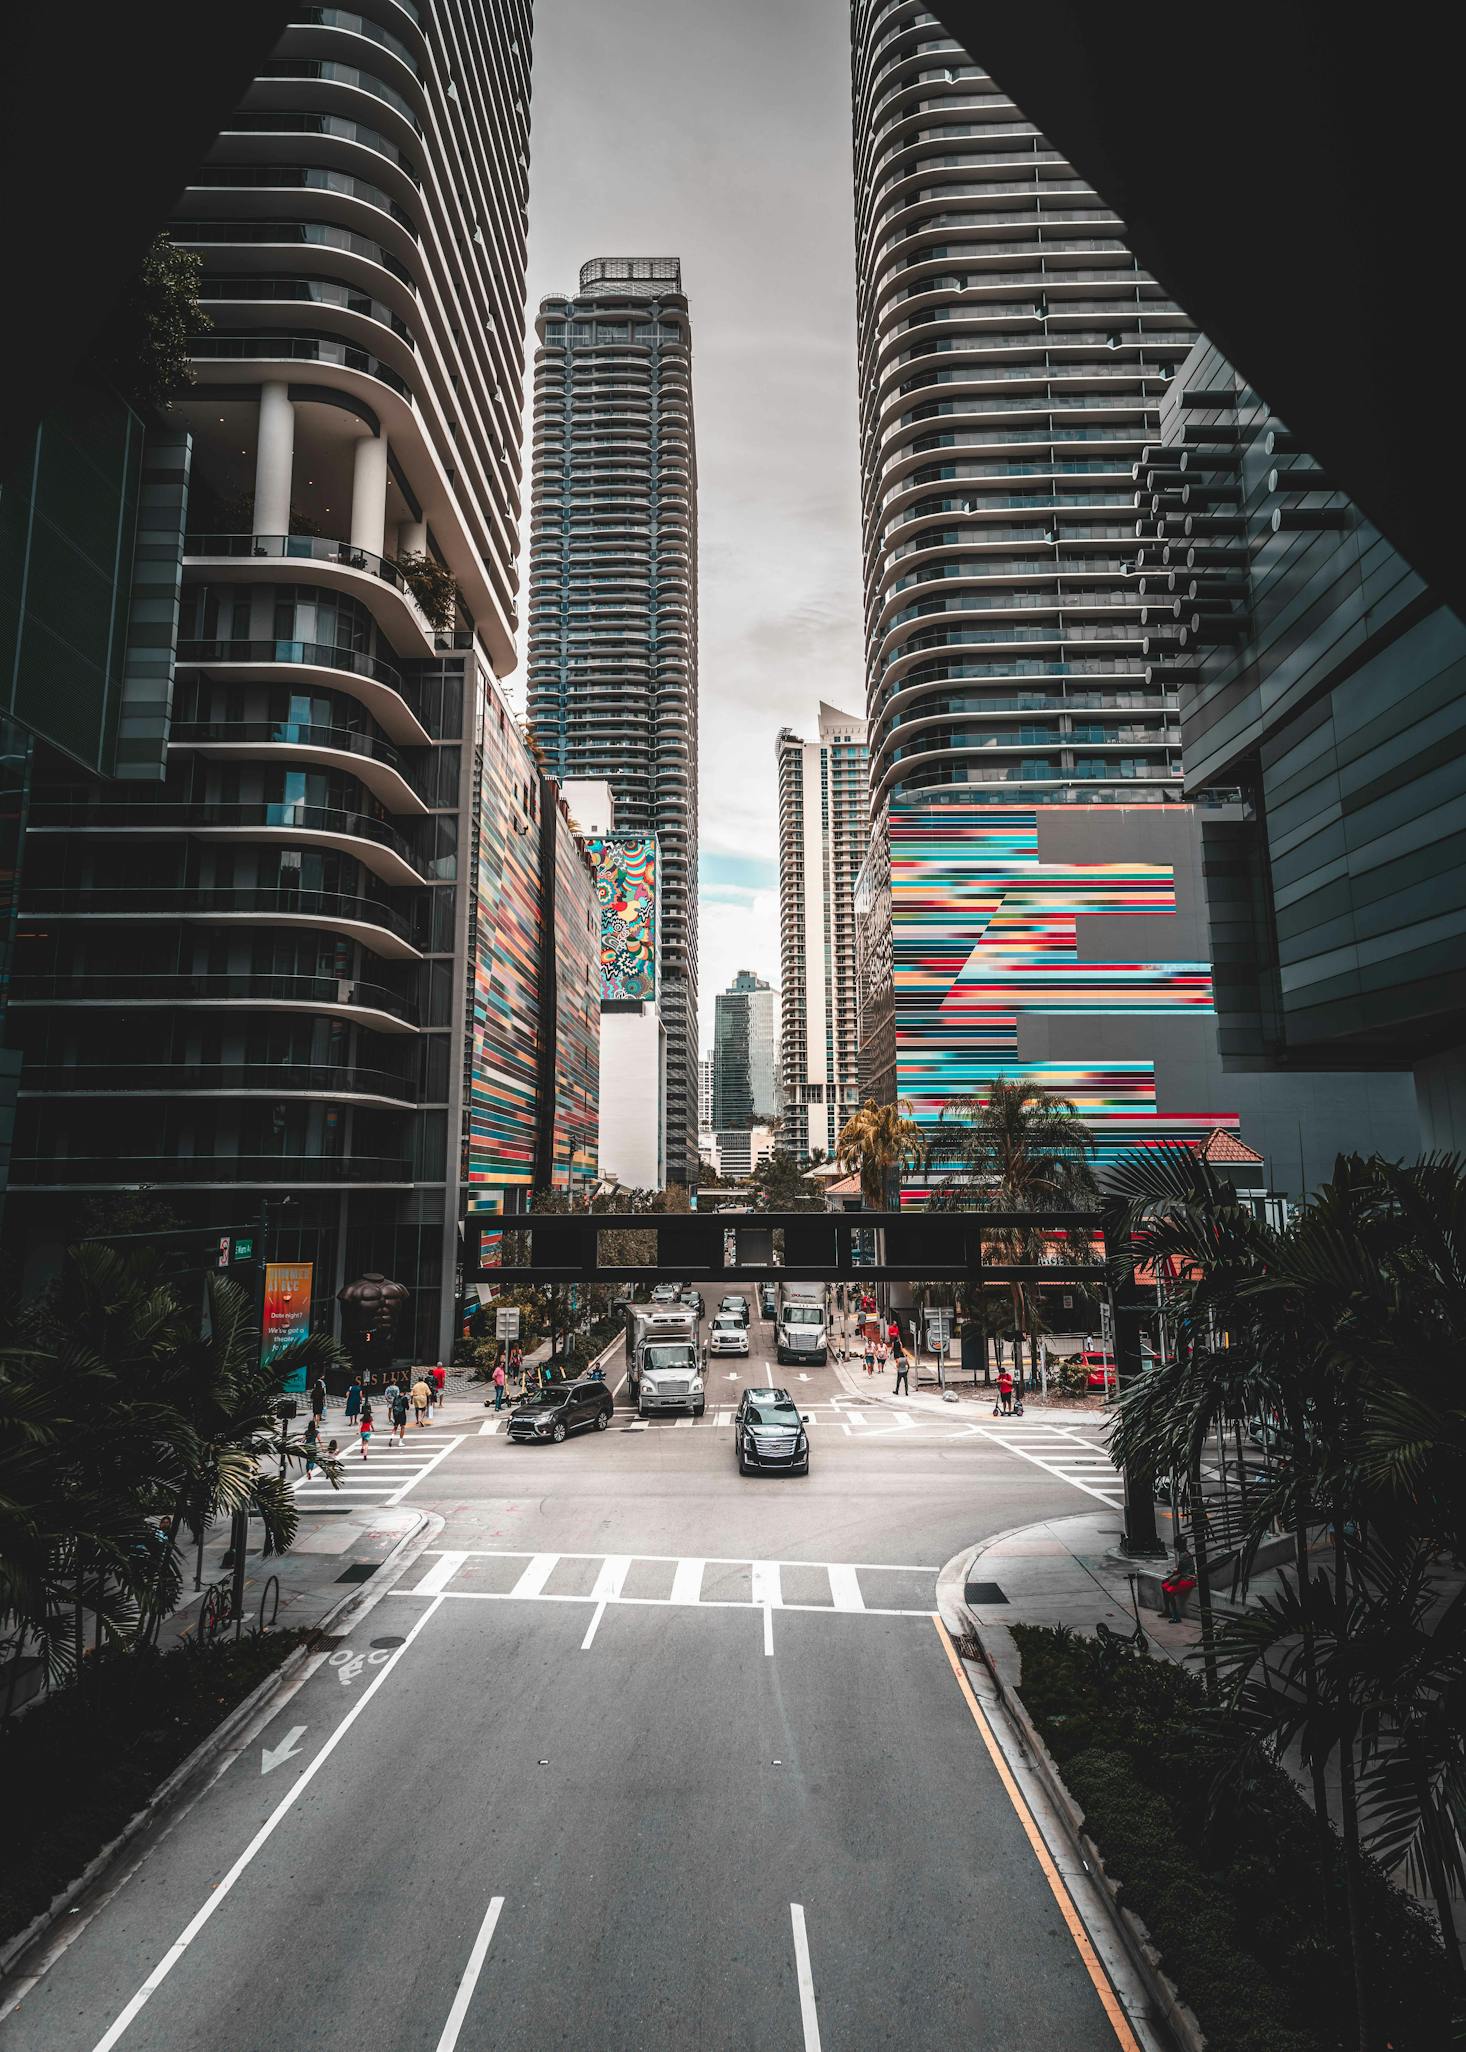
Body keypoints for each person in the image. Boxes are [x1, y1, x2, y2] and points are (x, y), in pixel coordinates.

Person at [1162, 1545, 1197, 1623]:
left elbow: (1180, 1570)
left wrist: (1170, 1577)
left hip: (1188, 1579)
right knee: (1165, 1585)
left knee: (1170, 1592)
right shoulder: (1185, 1553)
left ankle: (1176, 1616)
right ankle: (1167, 1611)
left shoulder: (1183, 1555)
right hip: (1185, 1577)